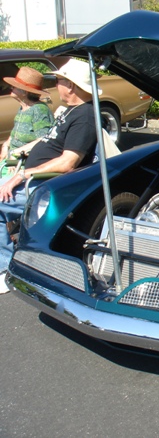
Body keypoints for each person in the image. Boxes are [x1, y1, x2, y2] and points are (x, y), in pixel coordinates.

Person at [0, 59, 100, 293]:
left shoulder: (84, 116)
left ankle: (4, 269)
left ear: (71, 86)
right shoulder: (71, 111)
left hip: (45, 186)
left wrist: (22, 174)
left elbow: (67, 163)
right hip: (33, 178)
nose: (56, 85)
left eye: (59, 81)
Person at [0, 67, 54, 176]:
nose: (11, 87)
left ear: (24, 92)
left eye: (15, 86)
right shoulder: (23, 107)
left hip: (25, 164)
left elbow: (43, 140)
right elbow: (16, 132)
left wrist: (15, 154)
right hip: (11, 162)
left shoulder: (39, 110)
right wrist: (6, 145)